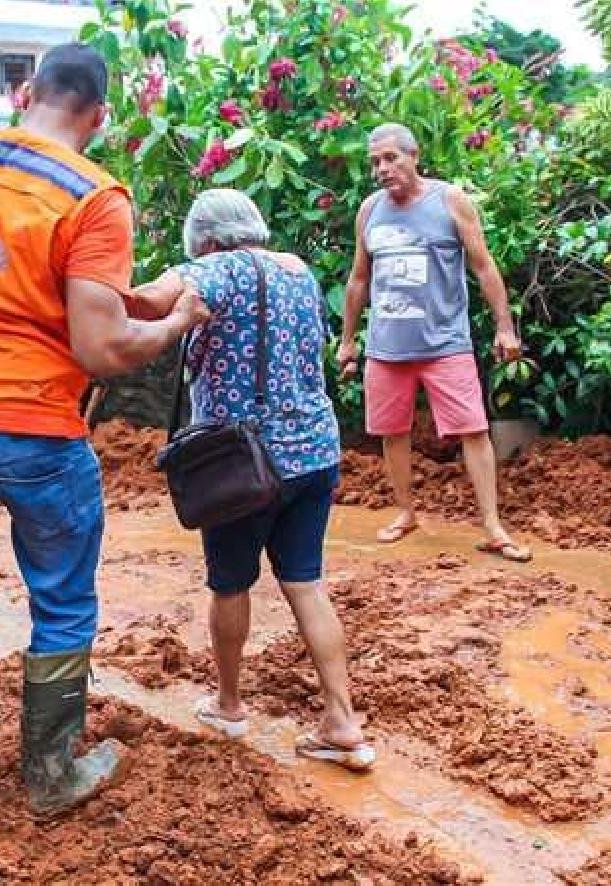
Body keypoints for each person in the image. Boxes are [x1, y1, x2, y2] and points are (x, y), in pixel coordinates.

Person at [0, 43, 207, 817]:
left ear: (27, 91)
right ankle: (49, 775)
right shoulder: (92, 196)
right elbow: (98, 347)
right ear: (99, 117)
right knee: (63, 598)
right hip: (32, 424)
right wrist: (175, 320)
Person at [136, 189, 375, 771]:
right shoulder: (298, 272)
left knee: (231, 583)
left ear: (209, 240)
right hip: (314, 452)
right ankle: (342, 722)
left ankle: (228, 703)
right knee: (305, 583)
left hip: (242, 463)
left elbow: (145, 302)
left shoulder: (216, 268)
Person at [338, 123, 532, 563]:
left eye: (390, 158)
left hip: (446, 343)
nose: (382, 169)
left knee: (474, 431)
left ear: (414, 155)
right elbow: (358, 279)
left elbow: (484, 267)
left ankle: (493, 526)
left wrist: (505, 327)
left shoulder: (449, 201)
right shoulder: (370, 211)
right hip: (386, 348)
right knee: (392, 431)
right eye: (374, 162)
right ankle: (405, 513)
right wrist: (348, 341)